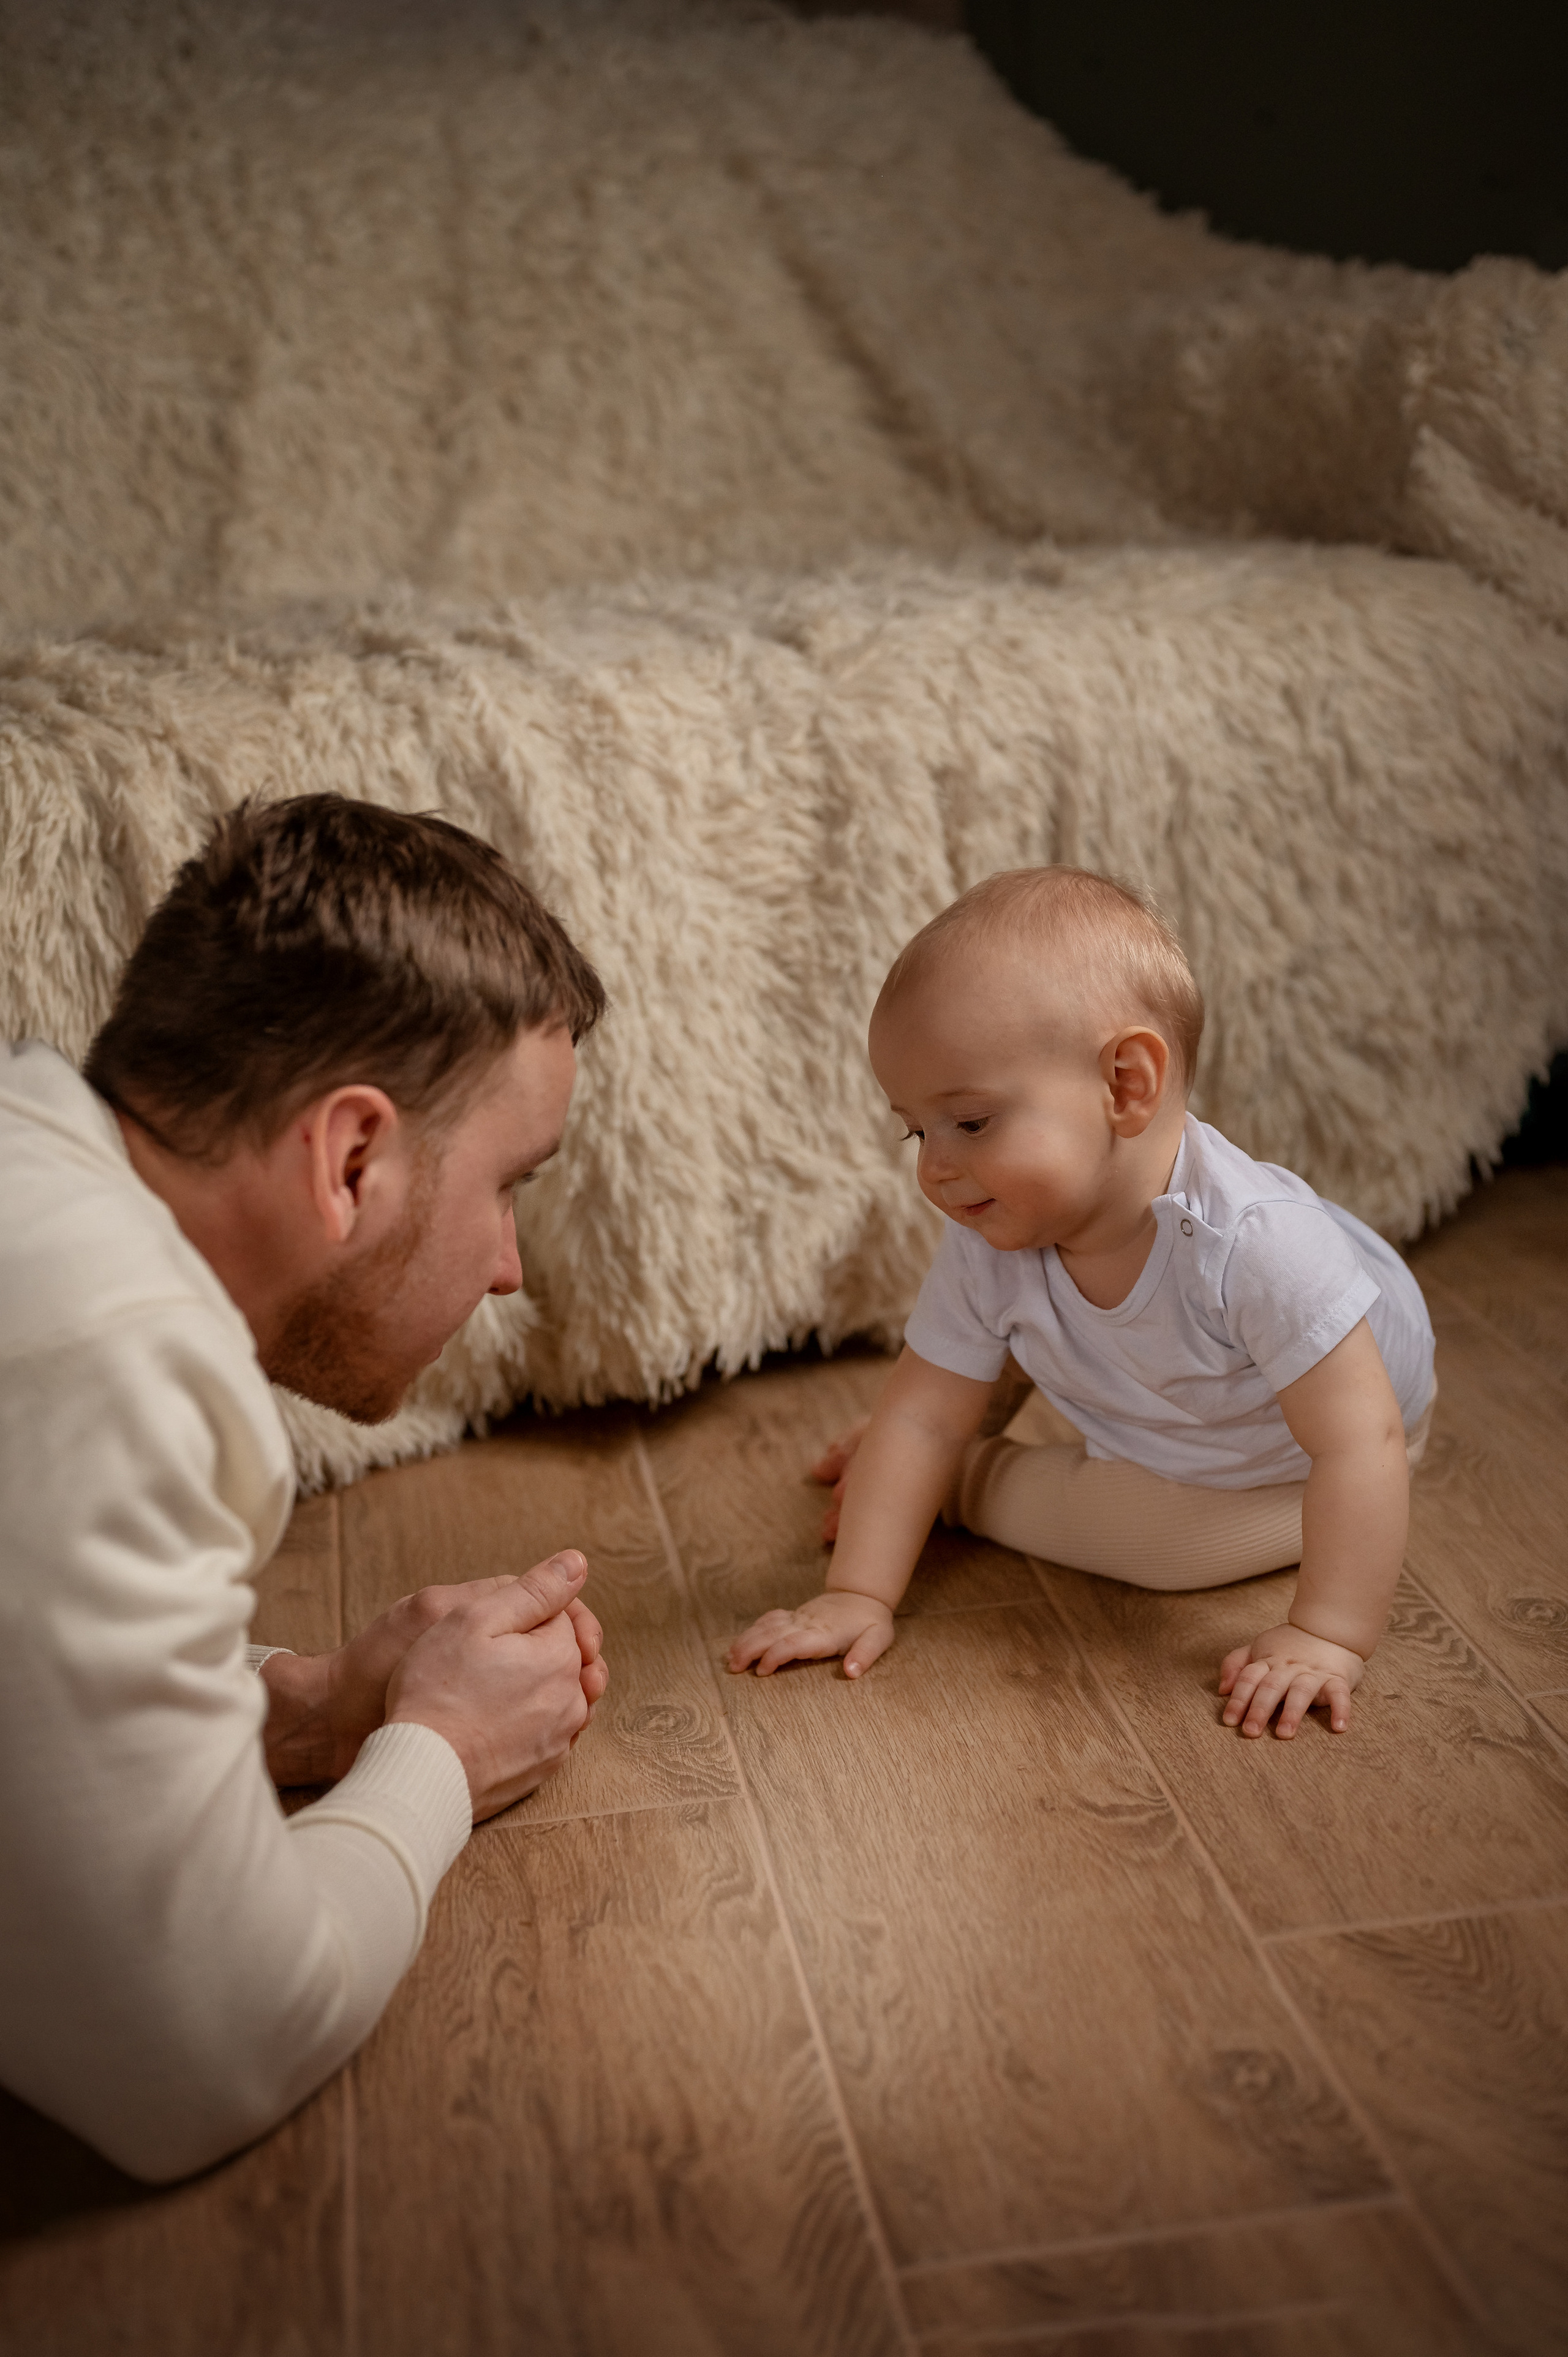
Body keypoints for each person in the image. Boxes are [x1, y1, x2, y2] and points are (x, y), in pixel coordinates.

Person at [0, 795, 610, 2182]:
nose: (508, 1267)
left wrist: (318, 1706)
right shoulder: (112, 1355)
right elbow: (202, 2054)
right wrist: (438, 1752)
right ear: (351, 1160)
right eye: (506, 1185)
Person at [728, 866, 1435, 1741]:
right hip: (1193, 1367)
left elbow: (1360, 1443)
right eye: (918, 1130)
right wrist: (857, 1593)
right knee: (998, 1333)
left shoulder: (1257, 1251)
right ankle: (954, 1465)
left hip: (1318, 1437)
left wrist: (1328, 1636)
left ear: (1126, 1086)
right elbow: (917, 1416)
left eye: (972, 1123)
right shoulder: (1001, 1225)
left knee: (1167, 1544)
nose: (934, 1168)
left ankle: (968, 1488)